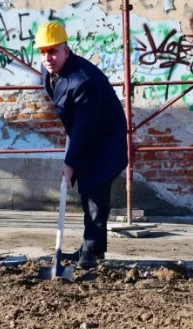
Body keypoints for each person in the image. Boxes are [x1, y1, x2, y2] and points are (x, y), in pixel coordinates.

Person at [34, 22, 129, 269]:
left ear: (67, 50)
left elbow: (85, 127)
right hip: (86, 134)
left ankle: (93, 252)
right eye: (43, 52)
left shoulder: (83, 80)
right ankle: (89, 246)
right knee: (87, 191)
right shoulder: (51, 72)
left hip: (105, 140)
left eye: (53, 51)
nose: (47, 57)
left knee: (95, 192)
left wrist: (70, 163)